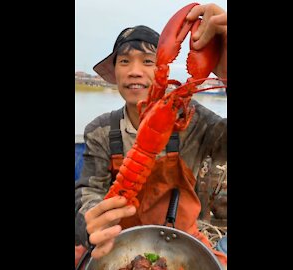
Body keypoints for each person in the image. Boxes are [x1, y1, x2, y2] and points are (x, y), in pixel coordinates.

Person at [75, 3, 228, 268]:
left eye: (148, 61)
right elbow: (87, 192)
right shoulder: (100, 130)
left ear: (161, 70)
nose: (135, 70)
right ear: (116, 73)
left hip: (184, 241)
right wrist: (89, 221)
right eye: (124, 61)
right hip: (117, 241)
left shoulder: (196, 120)